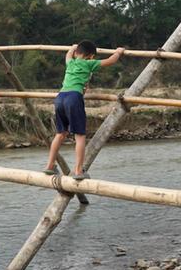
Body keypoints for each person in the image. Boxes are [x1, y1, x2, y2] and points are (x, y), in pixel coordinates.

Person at [43, 41, 124, 180]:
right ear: (91, 57)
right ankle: (79, 171)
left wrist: (72, 47)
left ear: (76, 53)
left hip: (60, 97)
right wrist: (118, 51)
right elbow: (110, 61)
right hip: (74, 98)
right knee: (79, 135)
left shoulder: (71, 62)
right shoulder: (88, 64)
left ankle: (49, 166)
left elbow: (68, 54)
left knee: (60, 133)